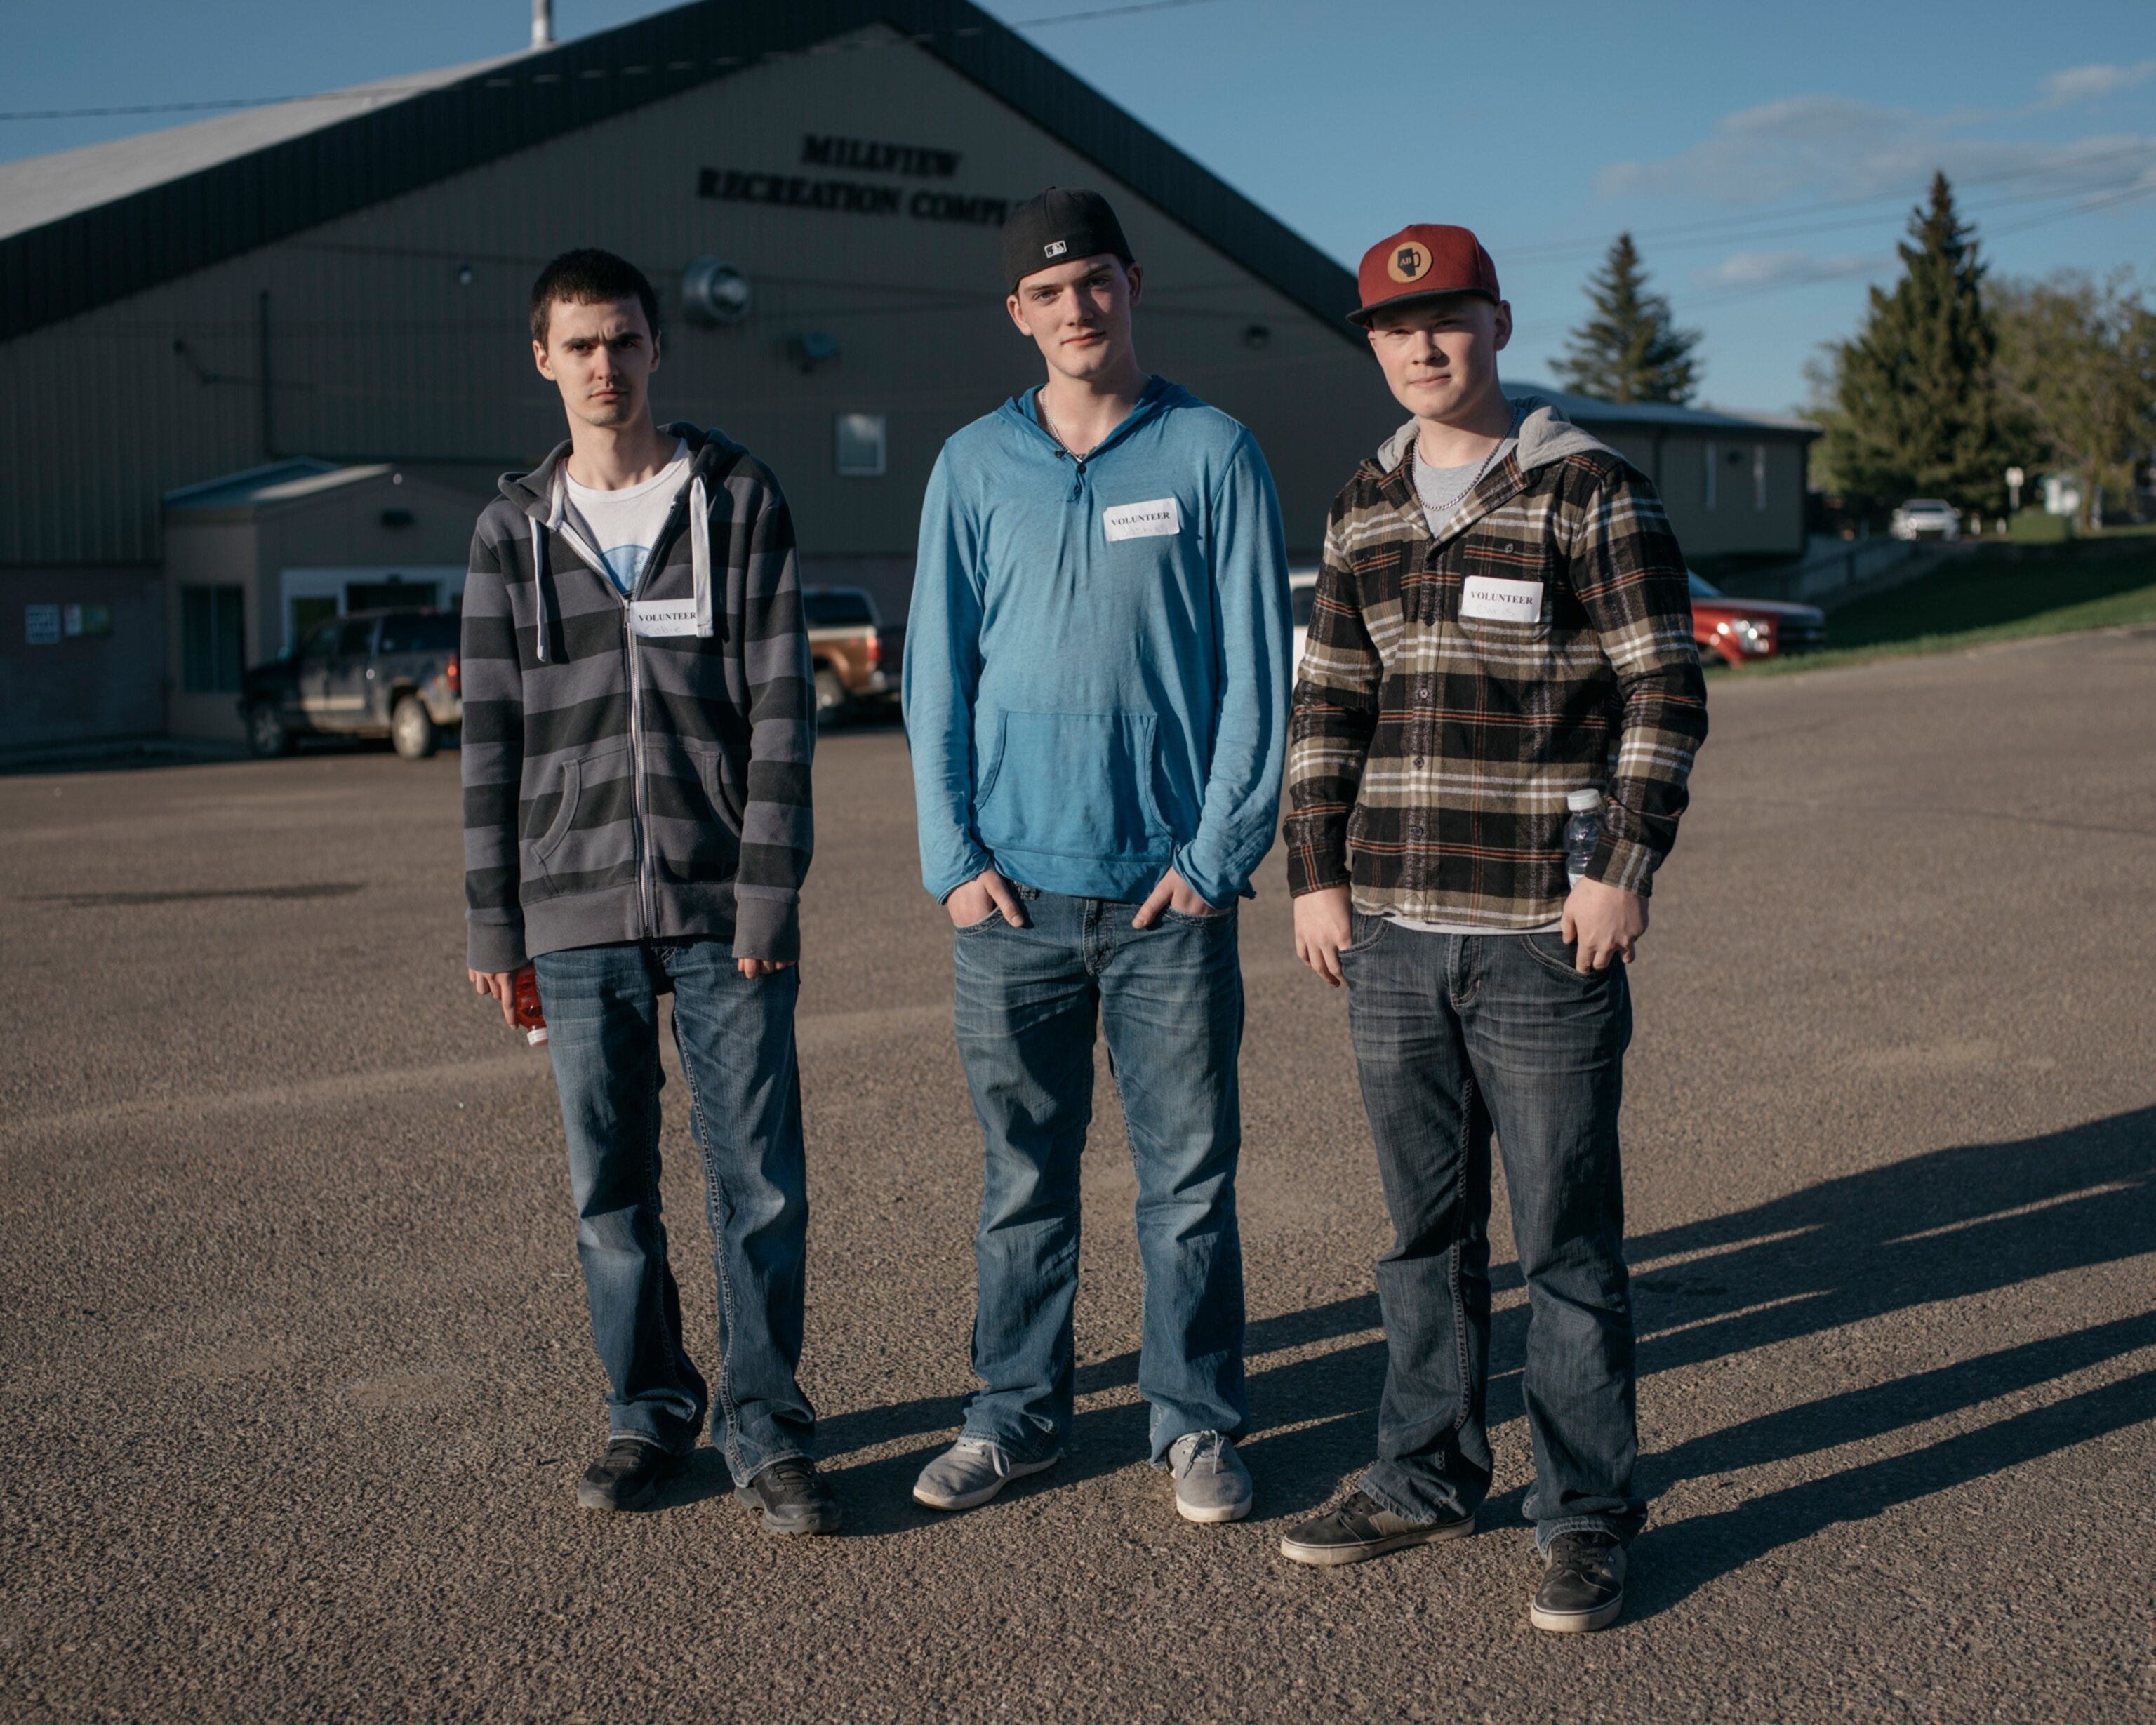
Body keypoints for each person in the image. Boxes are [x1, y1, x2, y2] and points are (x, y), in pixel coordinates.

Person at [1277, 225, 1708, 1631]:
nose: (1424, 344)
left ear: (1496, 322)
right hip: (1392, 936)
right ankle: (1423, 1471)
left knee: (1566, 1241)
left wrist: (1621, 863)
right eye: (1397, 326)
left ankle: (1583, 1511)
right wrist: (1313, 872)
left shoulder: (1587, 490)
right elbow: (1328, 702)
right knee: (1424, 1232)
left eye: (1449, 317)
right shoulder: (1362, 507)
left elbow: (1664, 686)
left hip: (1540, 937)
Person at [903, 189, 1293, 1525]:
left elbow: (1259, 673)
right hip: (1011, 893)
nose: (1078, 308)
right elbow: (933, 678)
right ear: (1018, 312)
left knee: (1187, 1181)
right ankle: (1015, 1418)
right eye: (1049, 291)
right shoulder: (971, 466)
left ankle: (1193, 1425)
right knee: (1025, 1179)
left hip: (1166, 899)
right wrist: (953, 856)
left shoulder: (1212, 451)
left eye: (1098, 282)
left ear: (1134, 285)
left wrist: (1221, 848)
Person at [460, 248, 836, 1534]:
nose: (604, 365)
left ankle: (767, 1424)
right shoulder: (510, 529)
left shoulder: (734, 499)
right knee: (607, 1188)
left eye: (623, 340)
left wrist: (768, 894)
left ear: (656, 347)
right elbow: (489, 741)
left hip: (723, 904)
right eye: (579, 345)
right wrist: (491, 922)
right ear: (543, 358)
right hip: (571, 920)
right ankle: (647, 1409)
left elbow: (784, 715)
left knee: (760, 1183)